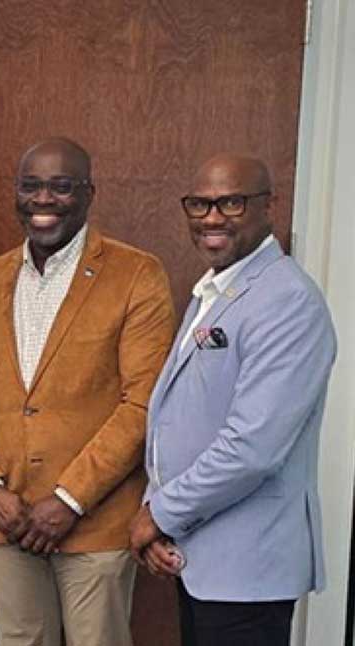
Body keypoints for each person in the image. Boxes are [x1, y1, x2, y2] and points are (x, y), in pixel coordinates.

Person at [0, 137, 175, 646]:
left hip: (95, 522)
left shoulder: (136, 275)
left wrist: (69, 499)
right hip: (7, 520)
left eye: (60, 187)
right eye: (31, 186)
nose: (43, 199)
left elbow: (143, 405)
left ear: (89, 194)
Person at [129, 154, 337, 646]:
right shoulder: (217, 291)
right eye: (199, 204)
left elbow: (251, 448)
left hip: (248, 570)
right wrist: (161, 516)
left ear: (271, 206)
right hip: (200, 558)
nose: (212, 217)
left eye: (231, 202)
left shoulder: (287, 299)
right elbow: (179, 420)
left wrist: (158, 515)